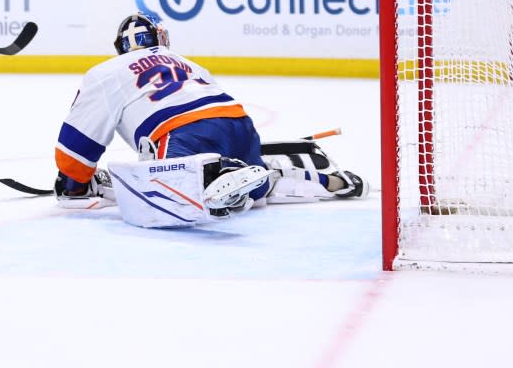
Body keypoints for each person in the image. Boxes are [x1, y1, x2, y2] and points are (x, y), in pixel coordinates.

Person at [53, 13, 368, 228]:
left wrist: (74, 185)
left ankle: (216, 173)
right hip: (239, 124)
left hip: (183, 134)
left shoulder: (106, 72)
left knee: (171, 202)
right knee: (255, 194)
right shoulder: (187, 62)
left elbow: (77, 145)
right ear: (160, 37)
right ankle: (315, 180)